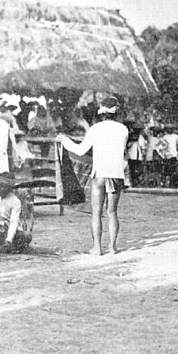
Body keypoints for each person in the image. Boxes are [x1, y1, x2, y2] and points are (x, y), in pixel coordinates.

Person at [56, 96, 128, 256]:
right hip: (116, 173)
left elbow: (81, 150)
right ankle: (113, 247)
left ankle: (97, 247)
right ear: (117, 112)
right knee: (112, 212)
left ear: (101, 112)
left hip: (99, 173)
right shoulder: (124, 130)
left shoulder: (95, 129)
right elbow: (121, 151)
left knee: (96, 211)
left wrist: (65, 140)